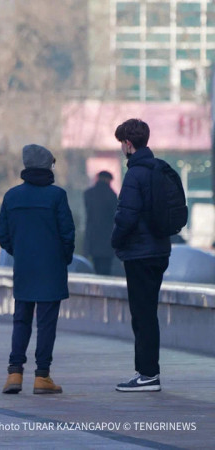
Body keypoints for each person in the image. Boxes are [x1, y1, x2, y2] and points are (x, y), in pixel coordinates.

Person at [0, 145, 75, 395]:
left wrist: (20, 253)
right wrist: (62, 258)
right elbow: (68, 234)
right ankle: (42, 377)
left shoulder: (12, 196)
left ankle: (14, 374)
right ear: (47, 166)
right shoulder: (57, 196)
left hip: (24, 267)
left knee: (21, 320)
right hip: (51, 268)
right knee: (46, 324)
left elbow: (3, 235)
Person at [111, 119, 170, 392]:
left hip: (139, 254)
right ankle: (148, 372)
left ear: (128, 144)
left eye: (121, 143)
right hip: (159, 250)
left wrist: (116, 241)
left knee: (142, 315)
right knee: (149, 313)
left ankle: (147, 374)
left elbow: (127, 215)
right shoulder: (158, 168)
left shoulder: (135, 174)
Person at [84, 171, 118, 275]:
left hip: (93, 238)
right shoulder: (112, 195)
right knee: (106, 269)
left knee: (96, 267)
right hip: (108, 239)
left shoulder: (88, 193)